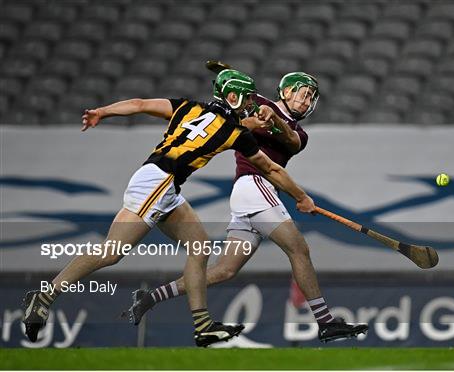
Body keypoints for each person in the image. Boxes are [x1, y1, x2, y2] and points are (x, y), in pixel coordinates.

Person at [21, 69, 316, 347]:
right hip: (159, 182)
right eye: (248, 98)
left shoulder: (188, 107)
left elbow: (138, 104)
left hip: (163, 183)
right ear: (234, 98)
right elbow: (272, 169)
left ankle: (203, 326)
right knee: (112, 251)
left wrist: (103, 111)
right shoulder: (235, 132)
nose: (252, 104)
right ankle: (45, 296)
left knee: (199, 246)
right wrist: (301, 196)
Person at [124, 72, 369, 343]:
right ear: (285, 91)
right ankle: (325, 322)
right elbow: (232, 114)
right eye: (303, 92)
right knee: (299, 248)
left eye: (311, 96)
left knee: (225, 270)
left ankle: (149, 298)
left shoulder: (300, 134)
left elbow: (290, 140)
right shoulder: (254, 104)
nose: (307, 98)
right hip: (254, 186)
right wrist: (253, 110)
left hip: (253, 195)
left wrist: (273, 117)